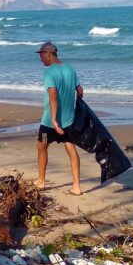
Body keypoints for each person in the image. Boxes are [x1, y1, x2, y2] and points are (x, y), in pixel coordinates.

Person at [35, 42, 84, 195]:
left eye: (42, 55)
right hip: (68, 120)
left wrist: (54, 120)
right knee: (70, 148)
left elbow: (53, 96)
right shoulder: (70, 68)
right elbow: (80, 91)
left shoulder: (49, 72)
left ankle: (41, 182)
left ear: (49, 54)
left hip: (50, 121)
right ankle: (76, 186)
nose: (41, 59)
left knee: (42, 146)